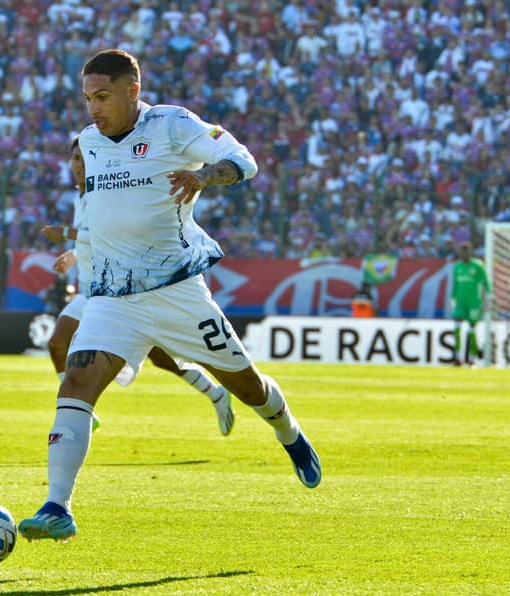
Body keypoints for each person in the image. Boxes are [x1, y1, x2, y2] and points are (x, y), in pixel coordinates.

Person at [19, 49, 321, 543]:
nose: (92, 109)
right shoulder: (91, 143)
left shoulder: (172, 124)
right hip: (113, 298)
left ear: (132, 91)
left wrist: (203, 175)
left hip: (178, 293)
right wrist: (80, 251)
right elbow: (109, 211)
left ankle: (288, 431)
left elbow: (244, 161)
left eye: (102, 96)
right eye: (87, 98)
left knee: (248, 389)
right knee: (74, 385)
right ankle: (57, 506)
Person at [41, 137, 236, 436]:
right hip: (91, 293)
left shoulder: (108, 192)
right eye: (76, 159)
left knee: (162, 357)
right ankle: (82, 412)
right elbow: (94, 238)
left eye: (85, 158)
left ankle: (216, 393)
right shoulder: (81, 197)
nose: (80, 165)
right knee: (57, 343)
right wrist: (74, 253)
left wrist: (66, 234)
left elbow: (111, 232)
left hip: (121, 292)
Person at [450, 242, 491, 365]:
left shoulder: (478, 265)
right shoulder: (457, 267)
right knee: (457, 326)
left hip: (474, 302)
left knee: (472, 330)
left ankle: (472, 359)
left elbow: (486, 282)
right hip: (460, 302)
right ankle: (457, 357)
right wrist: (452, 299)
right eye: (462, 252)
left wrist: (488, 299)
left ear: (470, 252)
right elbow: (455, 285)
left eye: (466, 251)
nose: (464, 254)